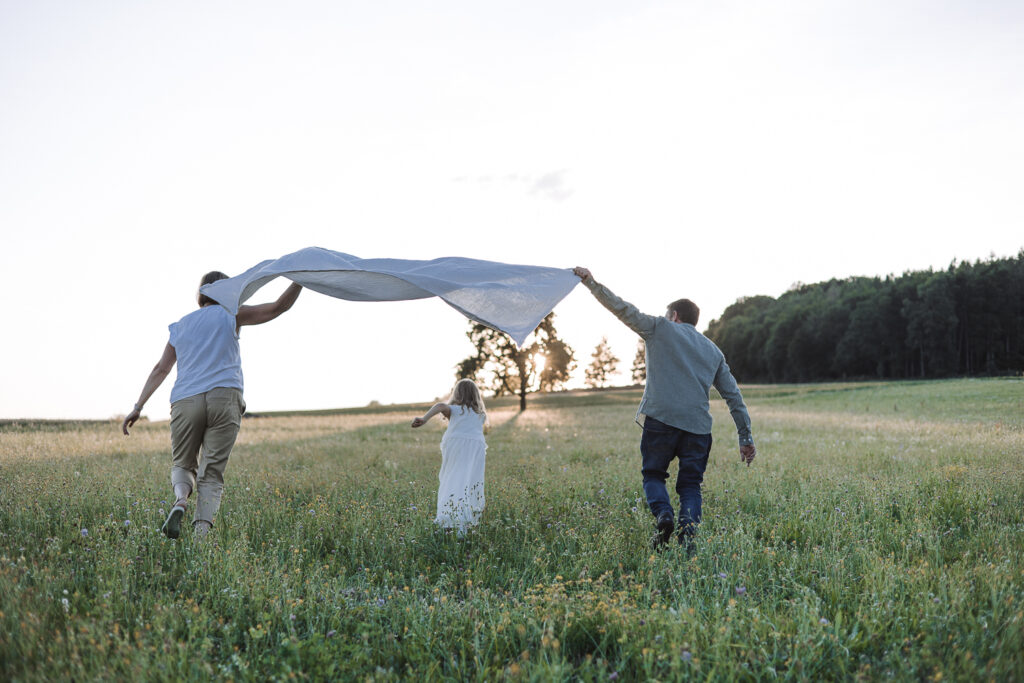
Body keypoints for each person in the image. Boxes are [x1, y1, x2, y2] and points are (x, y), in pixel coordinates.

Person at [573, 267, 756, 550]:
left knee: (654, 475)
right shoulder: (713, 351)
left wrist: (591, 282)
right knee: (690, 486)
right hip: (698, 429)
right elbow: (734, 396)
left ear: (674, 315)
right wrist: (745, 437)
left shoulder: (660, 327)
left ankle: (664, 515)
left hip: (661, 421)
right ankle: (688, 536)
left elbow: (622, 308)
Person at [122, 272, 302, 540]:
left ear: (201, 293)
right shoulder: (232, 314)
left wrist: (138, 406)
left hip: (185, 401)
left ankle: (181, 500)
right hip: (224, 397)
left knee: (183, 464)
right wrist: (300, 279)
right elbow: (278, 307)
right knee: (212, 472)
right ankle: (201, 535)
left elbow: (161, 368)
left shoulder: (181, 326)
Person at [411, 378, 488, 533]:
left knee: (451, 478)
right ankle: (467, 521)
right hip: (476, 448)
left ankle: (448, 520)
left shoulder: (454, 409)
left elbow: (440, 406)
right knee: (471, 481)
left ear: (457, 394)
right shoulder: (481, 415)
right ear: (476, 395)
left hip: (456, 445)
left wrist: (424, 419)